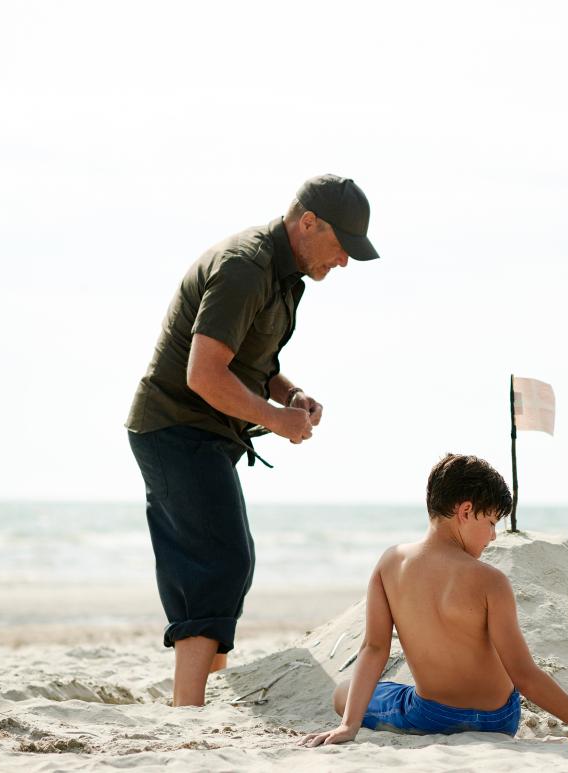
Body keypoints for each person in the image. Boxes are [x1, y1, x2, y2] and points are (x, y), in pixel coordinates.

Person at [125, 174, 380, 707]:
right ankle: (187, 709)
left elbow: (250, 364)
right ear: (308, 223)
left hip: (205, 431)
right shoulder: (246, 266)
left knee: (228, 562)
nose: (345, 262)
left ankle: (204, 693)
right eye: (342, 247)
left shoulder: (285, 277)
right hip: (175, 425)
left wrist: (291, 394)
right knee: (218, 562)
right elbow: (203, 374)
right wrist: (276, 420)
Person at [300, 454, 568, 747]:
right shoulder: (490, 580)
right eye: (491, 522)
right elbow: (524, 675)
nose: (493, 535)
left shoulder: (390, 563)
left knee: (343, 692)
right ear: (466, 511)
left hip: (430, 717)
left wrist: (349, 725)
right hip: (499, 720)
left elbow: (373, 649)